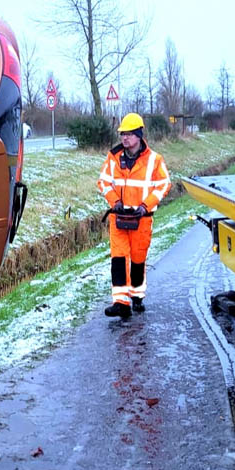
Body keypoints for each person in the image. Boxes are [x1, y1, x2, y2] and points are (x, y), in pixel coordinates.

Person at [96, 113, 171, 318]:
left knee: (138, 260)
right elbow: (103, 182)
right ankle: (121, 302)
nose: (124, 138)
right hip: (118, 218)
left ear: (139, 135)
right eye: (122, 134)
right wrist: (115, 202)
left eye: (128, 134)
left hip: (141, 219)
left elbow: (164, 184)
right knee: (118, 259)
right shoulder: (113, 158)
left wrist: (146, 206)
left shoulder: (155, 160)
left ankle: (137, 296)